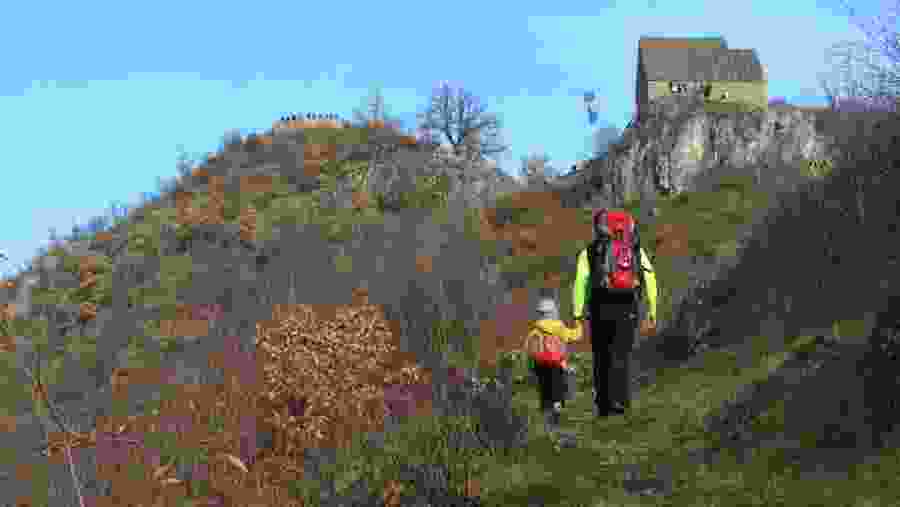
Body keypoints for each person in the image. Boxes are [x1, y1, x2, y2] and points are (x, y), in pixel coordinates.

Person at [572, 208, 658, 418]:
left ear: (596, 229)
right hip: (628, 307)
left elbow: (580, 282)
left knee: (602, 357)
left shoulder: (589, 252)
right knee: (622, 355)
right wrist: (652, 309)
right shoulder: (634, 249)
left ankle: (604, 408)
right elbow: (650, 278)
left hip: (600, 309)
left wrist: (577, 314)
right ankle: (622, 405)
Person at [524, 297, 582, 431]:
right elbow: (575, 336)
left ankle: (546, 414)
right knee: (558, 386)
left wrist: (531, 366)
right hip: (557, 363)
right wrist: (579, 325)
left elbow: (528, 347)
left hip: (540, 365)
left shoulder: (535, 330)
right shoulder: (559, 328)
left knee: (544, 388)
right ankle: (557, 407)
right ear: (554, 312)